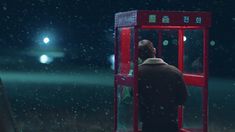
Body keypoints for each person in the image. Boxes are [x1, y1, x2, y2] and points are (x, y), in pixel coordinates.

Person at [138, 40, 188, 132]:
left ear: (138, 55)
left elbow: (132, 96)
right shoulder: (174, 72)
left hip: (149, 122)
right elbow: (182, 98)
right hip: (170, 122)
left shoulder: (138, 73)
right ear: (154, 50)